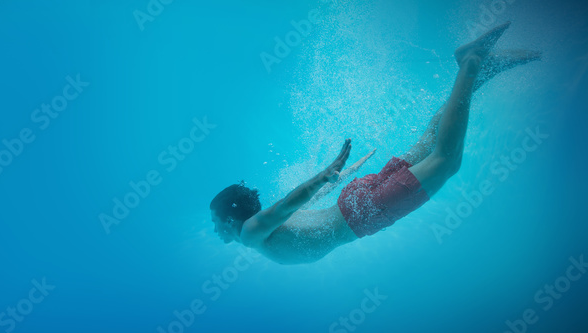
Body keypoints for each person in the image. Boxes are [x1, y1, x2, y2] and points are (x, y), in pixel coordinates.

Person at [209, 22, 540, 265]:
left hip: (361, 215)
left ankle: (471, 64)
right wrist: (340, 175)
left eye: (214, 222)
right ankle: (481, 73)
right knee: (428, 143)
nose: (215, 229)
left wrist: (324, 176)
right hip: (355, 203)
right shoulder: (264, 226)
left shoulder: (249, 234)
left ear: (229, 218)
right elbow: (298, 205)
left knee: (445, 160)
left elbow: (285, 204)